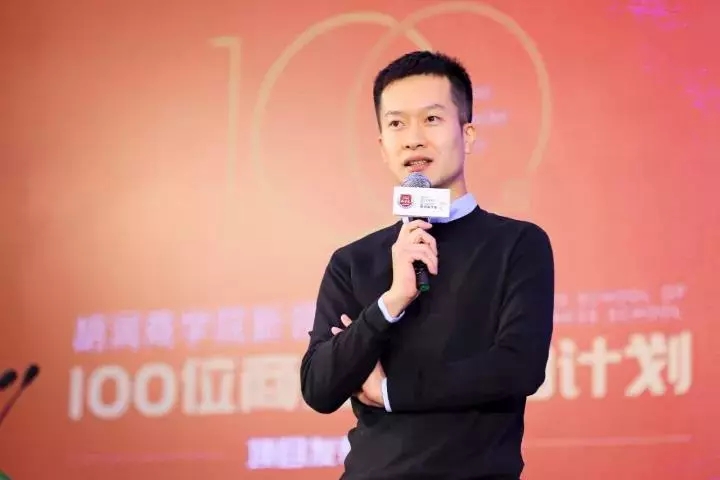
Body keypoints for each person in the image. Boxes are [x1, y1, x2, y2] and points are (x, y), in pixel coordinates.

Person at [299, 50, 555, 480]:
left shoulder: (517, 244)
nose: (413, 139)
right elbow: (319, 388)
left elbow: (518, 368)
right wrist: (390, 303)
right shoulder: (353, 262)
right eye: (397, 124)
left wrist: (390, 392)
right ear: (383, 147)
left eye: (431, 119)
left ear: (467, 134)